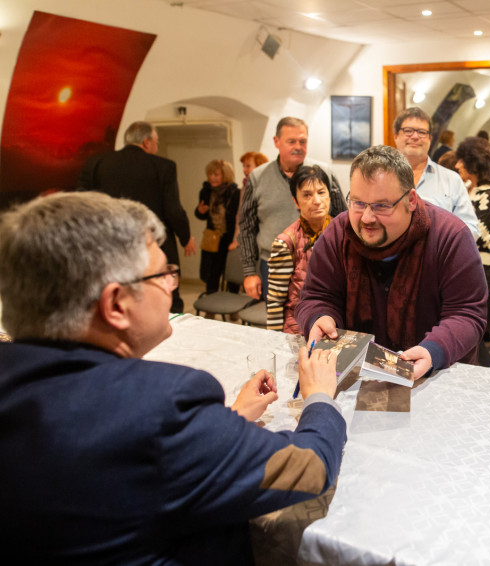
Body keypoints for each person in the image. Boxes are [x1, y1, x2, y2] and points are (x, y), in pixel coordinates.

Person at [0, 191, 346, 564]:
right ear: (116, 304)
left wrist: (226, 420)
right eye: (162, 274)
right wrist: (318, 397)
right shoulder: (162, 406)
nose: (172, 283)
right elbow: (310, 468)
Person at [296, 145, 488, 380]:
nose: (367, 218)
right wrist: (319, 317)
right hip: (354, 377)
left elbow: (467, 313)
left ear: (411, 200)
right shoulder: (337, 234)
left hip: (435, 377)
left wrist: (434, 350)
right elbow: (316, 296)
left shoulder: (451, 236)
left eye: (382, 206)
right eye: (358, 203)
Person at [78, 120, 196, 313]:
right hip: (154, 245)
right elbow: (173, 210)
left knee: (118, 298)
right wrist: (186, 237)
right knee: (164, 299)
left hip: (111, 245)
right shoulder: (164, 166)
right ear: (147, 142)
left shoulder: (96, 163)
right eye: (156, 142)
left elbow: (84, 204)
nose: (156, 147)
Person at [238, 117, 346, 302]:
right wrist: (249, 272)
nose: (298, 146)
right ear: (276, 142)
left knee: (322, 314)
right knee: (278, 318)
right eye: (291, 141)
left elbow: (342, 219)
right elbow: (247, 226)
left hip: (320, 263)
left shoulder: (324, 173)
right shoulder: (257, 177)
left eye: (302, 141)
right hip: (274, 265)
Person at [392, 108, 479, 238]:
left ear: (430, 139)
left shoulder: (452, 180)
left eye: (422, 132)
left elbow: (471, 228)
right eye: (408, 131)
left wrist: (438, 240)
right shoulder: (379, 179)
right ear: (395, 136)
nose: (415, 136)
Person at [267, 165, 332, 334]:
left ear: (329, 195)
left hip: (335, 325)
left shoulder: (342, 233)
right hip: (298, 327)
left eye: (321, 192)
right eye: (307, 195)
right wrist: (274, 339)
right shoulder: (286, 242)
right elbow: (275, 301)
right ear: (295, 201)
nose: (316, 200)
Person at [455, 136, 490, 367]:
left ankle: (483, 370)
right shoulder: (472, 190)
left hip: (482, 265)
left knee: (474, 325)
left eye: (462, 161)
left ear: (474, 163)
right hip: (472, 262)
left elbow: (477, 235)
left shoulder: (489, 194)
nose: (457, 165)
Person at [195, 160, 240, 294]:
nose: (212, 178)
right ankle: (211, 301)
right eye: (210, 174)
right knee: (211, 274)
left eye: (216, 174)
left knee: (232, 275)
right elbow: (202, 215)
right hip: (213, 238)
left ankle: (232, 302)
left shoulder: (235, 192)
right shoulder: (205, 192)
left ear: (225, 175)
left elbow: (239, 217)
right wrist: (199, 211)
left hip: (230, 239)